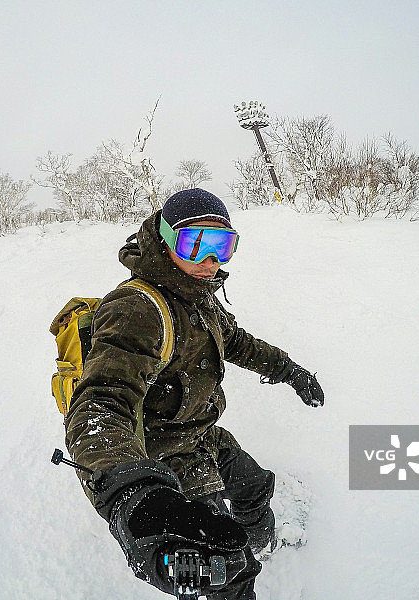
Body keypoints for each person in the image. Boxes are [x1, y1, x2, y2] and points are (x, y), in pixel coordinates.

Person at [64, 188, 324, 600]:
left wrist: (289, 370)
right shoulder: (136, 308)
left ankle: (263, 542)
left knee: (254, 487)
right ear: (166, 239)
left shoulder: (196, 294)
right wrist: (133, 494)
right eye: (195, 242)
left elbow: (238, 342)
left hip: (200, 434)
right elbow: (101, 402)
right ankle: (242, 569)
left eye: (221, 245)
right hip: (162, 455)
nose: (209, 261)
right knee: (225, 565)